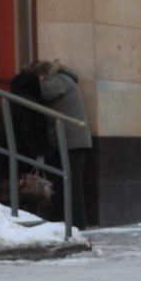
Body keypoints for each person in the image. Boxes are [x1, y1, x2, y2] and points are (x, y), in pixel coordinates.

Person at [36, 60, 92, 228]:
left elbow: (44, 93)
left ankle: (77, 223)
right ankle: (73, 221)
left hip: (71, 142)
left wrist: (30, 84)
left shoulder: (60, 80)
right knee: (69, 183)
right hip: (70, 141)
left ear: (43, 74)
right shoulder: (65, 79)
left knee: (71, 184)